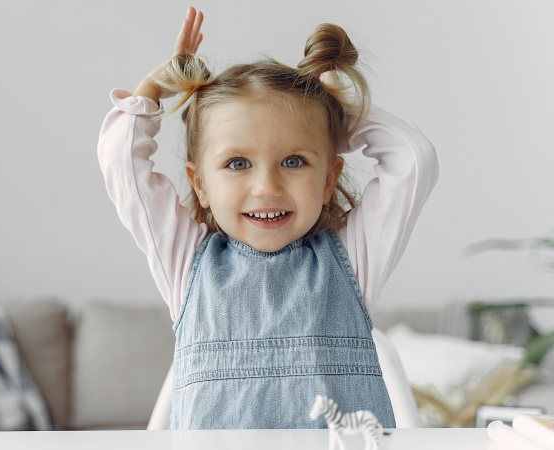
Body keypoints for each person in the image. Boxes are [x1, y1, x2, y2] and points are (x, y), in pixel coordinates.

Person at [97, 7, 438, 429]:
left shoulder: (352, 259)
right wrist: (150, 91)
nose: (267, 188)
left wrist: (342, 114)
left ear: (329, 178)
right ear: (200, 184)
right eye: (238, 163)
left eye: (294, 160)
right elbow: (121, 163)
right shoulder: (185, 262)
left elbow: (413, 160)